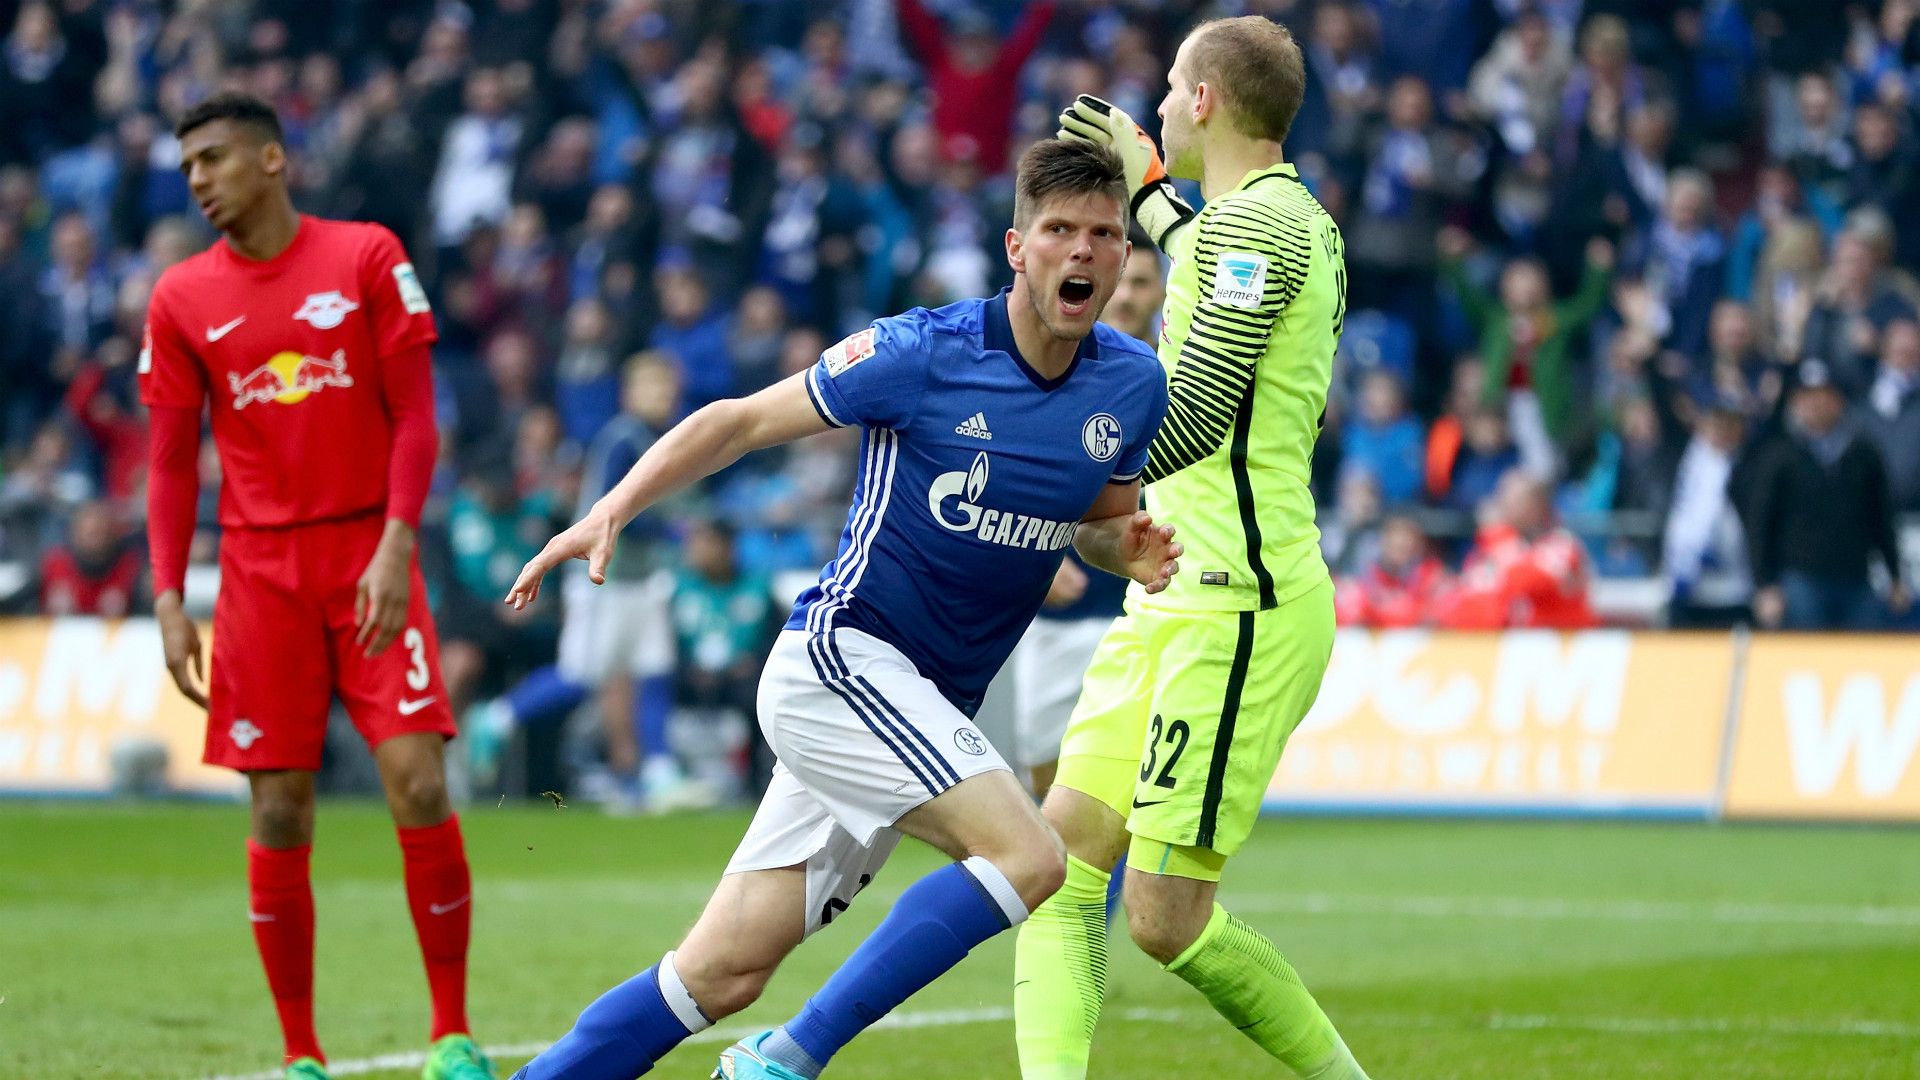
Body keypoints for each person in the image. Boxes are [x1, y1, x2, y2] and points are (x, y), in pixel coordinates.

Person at [503, 138, 1176, 1080]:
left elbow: (1098, 523)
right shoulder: (921, 351)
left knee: (719, 972)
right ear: (1016, 247)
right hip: (843, 663)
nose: (1083, 252)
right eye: (1058, 231)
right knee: (1031, 858)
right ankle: (787, 1058)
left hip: (924, 706)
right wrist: (611, 506)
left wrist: (1126, 551)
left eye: (1103, 235)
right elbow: (738, 421)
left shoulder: (1131, 384)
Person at [1024, 18, 1370, 1080]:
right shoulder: (1267, 218)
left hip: (1240, 606)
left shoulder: (1253, 231)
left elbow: (1203, 411)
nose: (1160, 107)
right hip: (1174, 591)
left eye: (1173, 89)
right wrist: (1146, 190)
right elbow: (1200, 250)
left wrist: (1045, 486)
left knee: (1166, 918)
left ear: (1208, 103)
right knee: (1057, 863)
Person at [138, 93, 492, 1080]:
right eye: (188, 168)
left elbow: (415, 416)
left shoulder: (367, 257)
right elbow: (169, 464)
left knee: (418, 781)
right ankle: (301, 1054)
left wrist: (394, 542)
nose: (201, 180)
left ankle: (452, 1034)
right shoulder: (179, 299)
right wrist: (170, 596)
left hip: (365, 558)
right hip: (258, 578)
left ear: (273, 159)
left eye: (214, 159)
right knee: (279, 811)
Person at [1005, 242, 1166, 797]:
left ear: (1162, 294)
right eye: (1121, 280)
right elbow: (998, 478)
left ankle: (1124, 889)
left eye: (1143, 283)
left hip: (1151, 612)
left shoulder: (1180, 382)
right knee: (1048, 783)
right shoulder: (1049, 368)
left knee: (1144, 789)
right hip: (1062, 614)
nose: (1127, 295)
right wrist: (1031, 560)